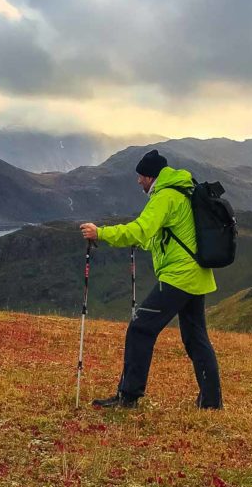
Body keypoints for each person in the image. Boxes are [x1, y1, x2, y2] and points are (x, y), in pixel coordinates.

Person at [79, 149, 223, 410]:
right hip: (196, 275)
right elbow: (164, 237)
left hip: (179, 276)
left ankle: (129, 396)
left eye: (141, 176)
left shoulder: (165, 196)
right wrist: (139, 242)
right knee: (196, 338)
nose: (138, 181)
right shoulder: (181, 191)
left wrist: (100, 233)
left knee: (141, 328)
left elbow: (142, 228)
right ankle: (211, 403)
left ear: (150, 176)